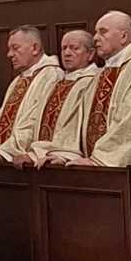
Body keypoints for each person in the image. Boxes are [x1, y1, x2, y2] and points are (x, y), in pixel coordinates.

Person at [62, 11, 131, 168]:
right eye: (95, 32)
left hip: (124, 169)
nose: (95, 38)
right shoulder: (102, 73)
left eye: (103, 32)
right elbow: (79, 118)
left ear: (123, 36)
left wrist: (101, 159)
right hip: (93, 166)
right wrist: (64, 153)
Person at [0, 26, 64, 163]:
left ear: (35, 48)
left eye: (15, 48)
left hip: (27, 162)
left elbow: (35, 120)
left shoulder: (51, 76)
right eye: (9, 49)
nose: (9, 54)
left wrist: (5, 152)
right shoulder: (18, 80)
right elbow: (0, 119)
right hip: (3, 159)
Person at [32, 29, 100, 165]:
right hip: (42, 158)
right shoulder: (55, 82)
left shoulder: (94, 81)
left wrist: (63, 155)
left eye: (75, 48)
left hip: (73, 162)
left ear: (91, 54)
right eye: (64, 48)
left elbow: (75, 125)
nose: (67, 53)